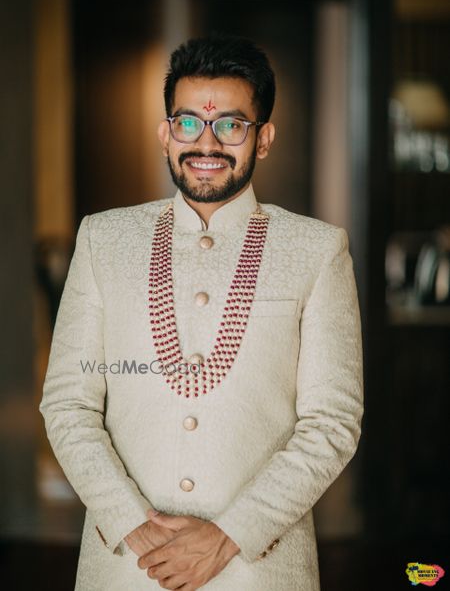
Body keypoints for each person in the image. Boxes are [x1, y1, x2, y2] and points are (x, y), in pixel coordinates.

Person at [39, 34, 364, 591]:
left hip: (259, 568)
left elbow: (331, 424)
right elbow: (68, 404)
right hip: (126, 568)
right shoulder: (104, 239)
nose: (205, 142)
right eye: (188, 123)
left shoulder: (316, 250)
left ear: (263, 139)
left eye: (231, 125)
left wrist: (229, 535)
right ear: (165, 134)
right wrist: (135, 526)